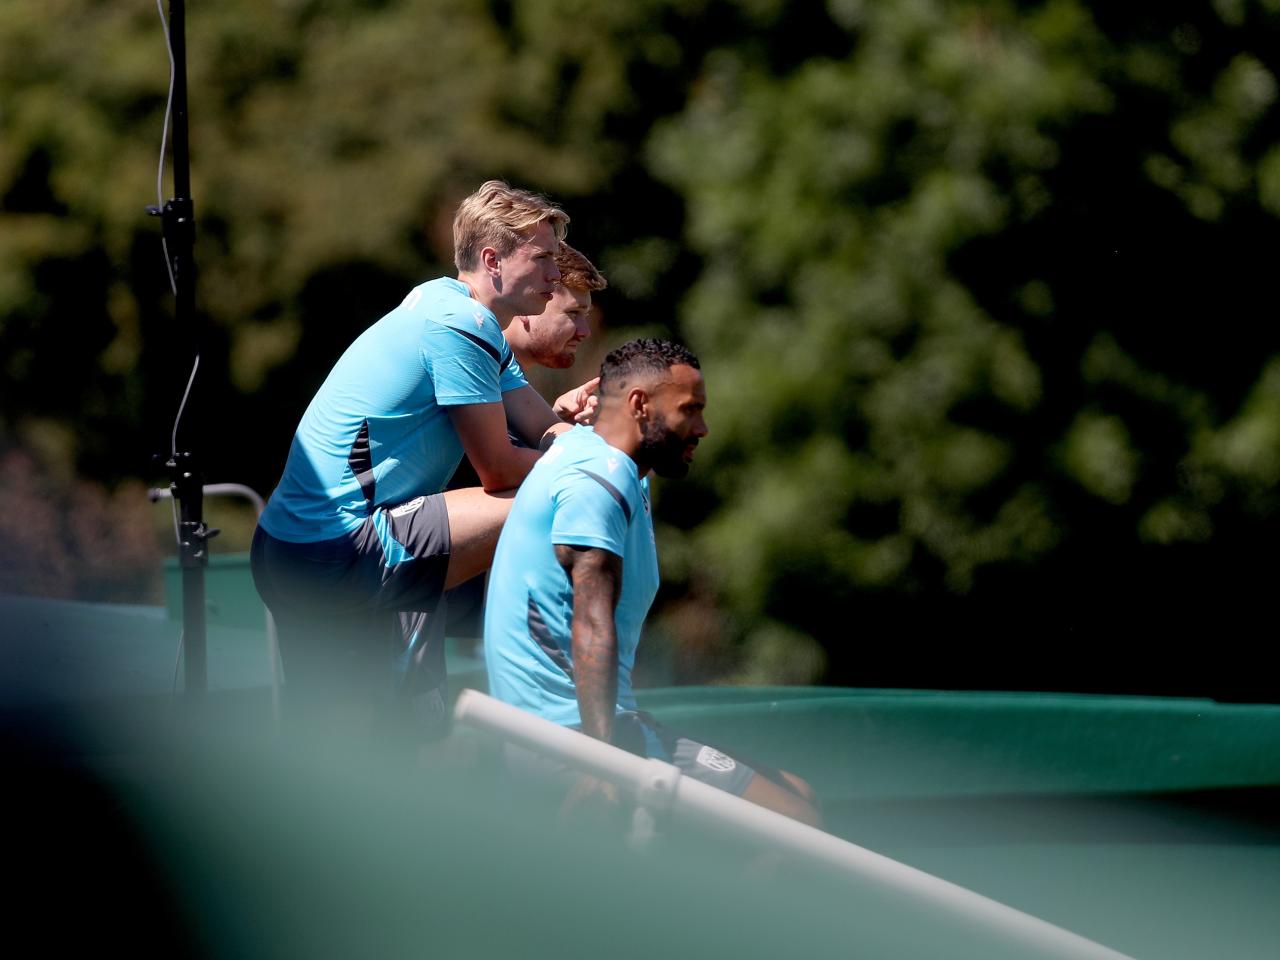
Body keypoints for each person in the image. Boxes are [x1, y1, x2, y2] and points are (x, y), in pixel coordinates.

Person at [251, 180, 593, 740]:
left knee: (335, 746)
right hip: (335, 551)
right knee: (566, 490)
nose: (557, 275)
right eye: (544, 259)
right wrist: (603, 453)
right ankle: (553, 687)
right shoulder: (459, 326)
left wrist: (570, 431)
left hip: (290, 550)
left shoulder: (446, 304)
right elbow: (503, 471)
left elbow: (539, 425)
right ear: (492, 260)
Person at [483, 339, 821, 826]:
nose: (703, 428)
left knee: (797, 793)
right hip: (570, 738)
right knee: (795, 822)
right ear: (640, 406)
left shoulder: (599, 456)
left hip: (591, 724)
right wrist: (602, 765)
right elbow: (592, 624)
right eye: (691, 411)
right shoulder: (599, 480)